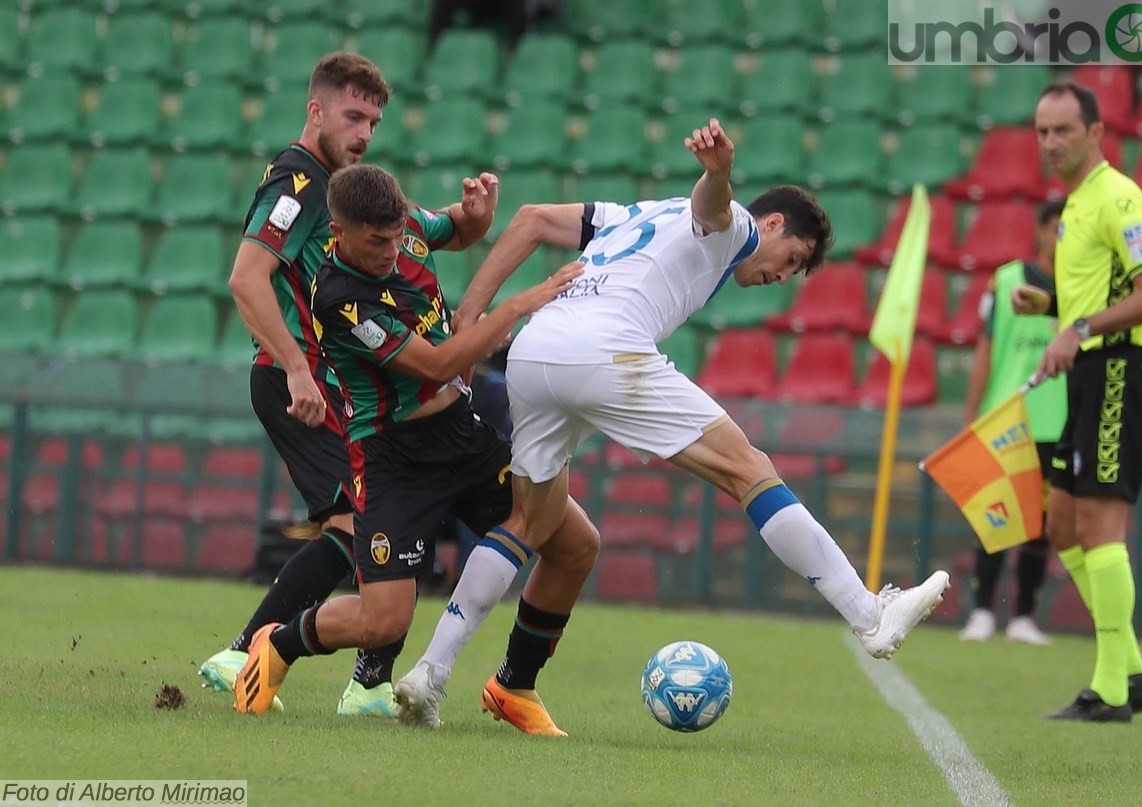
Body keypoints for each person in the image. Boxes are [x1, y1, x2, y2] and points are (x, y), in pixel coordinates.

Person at [394, 118, 952, 735]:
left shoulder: (633, 212)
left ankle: (431, 673)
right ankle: (868, 614)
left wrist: (472, 313)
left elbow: (527, 218)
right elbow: (712, 208)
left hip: (534, 348)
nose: (784, 276)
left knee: (531, 521)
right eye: (791, 259)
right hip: (605, 348)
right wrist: (717, 173)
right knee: (751, 471)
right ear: (769, 226)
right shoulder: (737, 225)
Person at [232, 164, 601, 721]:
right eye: (375, 241)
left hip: (462, 437)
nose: (389, 249)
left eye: (395, 235)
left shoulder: (405, 227)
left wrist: (476, 217)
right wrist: (520, 305)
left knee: (576, 543)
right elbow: (437, 362)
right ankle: (278, 643)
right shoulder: (338, 296)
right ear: (338, 233)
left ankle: (514, 686)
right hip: (393, 459)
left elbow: (452, 228)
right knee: (384, 623)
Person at [197, 53, 498, 717]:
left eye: (374, 120)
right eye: (352, 115)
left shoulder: (349, 190)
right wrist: (300, 370)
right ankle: (251, 651)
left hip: (328, 384)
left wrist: (473, 215)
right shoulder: (298, 182)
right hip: (293, 379)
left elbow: (430, 230)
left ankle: (363, 683)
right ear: (316, 110)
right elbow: (246, 278)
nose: (364, 131)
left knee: (373, 521)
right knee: (361, 521)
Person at [1013, 81, 1142, 722]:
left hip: (1118, 374)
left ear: (1097, 133)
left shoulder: (1118, 196)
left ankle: (1109, 691)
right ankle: (1130, 672)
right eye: (1042, 132)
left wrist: (1076, 329)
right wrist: (1053, 305)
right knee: (1061, 526)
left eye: (1063, 131)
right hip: (1090, 374)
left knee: (1101, 527)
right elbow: (1100, 294)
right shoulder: (1075, 203)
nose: (1050, 143)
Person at [959, 200, 1065, 646]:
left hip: (1058, 420)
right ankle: (983, 612)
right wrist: (972, 415)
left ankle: (1023, 616)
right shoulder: (1005, 281)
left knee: (1042, 524)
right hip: (1008, 416)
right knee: (997, 517)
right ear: (1040, 229)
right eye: (1058, 229)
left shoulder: (1084, 288)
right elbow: (985, 348)